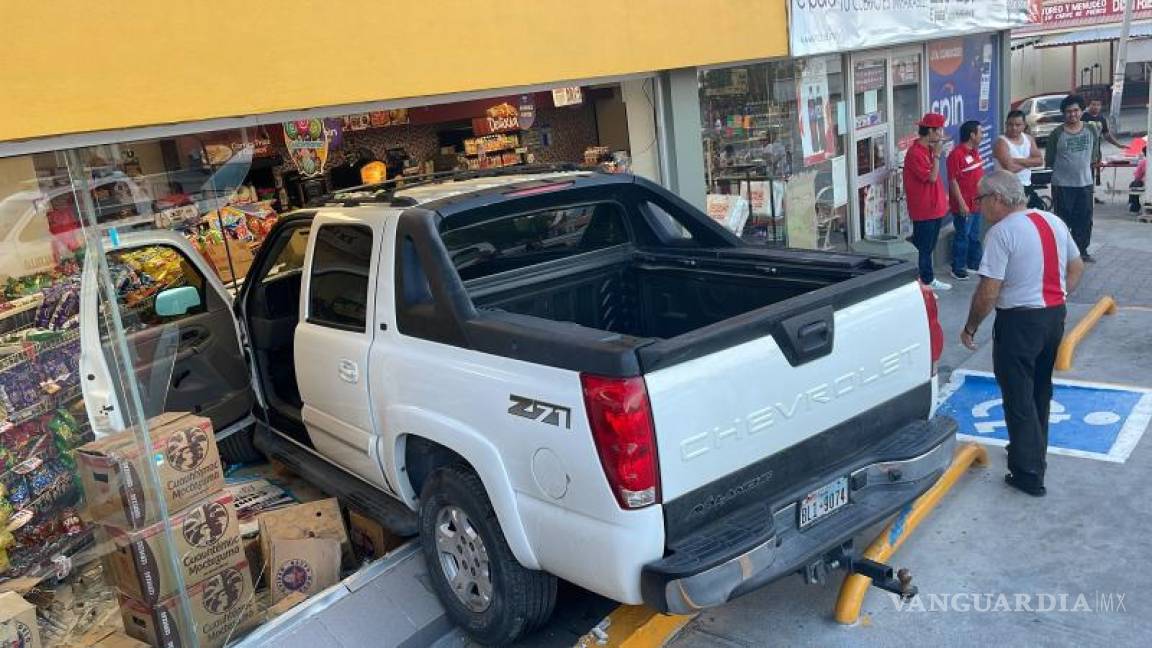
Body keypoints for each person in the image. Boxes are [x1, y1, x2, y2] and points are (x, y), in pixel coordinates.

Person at [960, 170, 1085, 497]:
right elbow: (1076, 267)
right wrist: (1060, 295)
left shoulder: (1001, 233)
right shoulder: (1052, 221)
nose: (979, 206)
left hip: (1019, 321)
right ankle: (1031, 448)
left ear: (997, 199)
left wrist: (972, 325)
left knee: (1017, 395)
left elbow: (989, 290)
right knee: (1040, 388)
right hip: (1053, 316)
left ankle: (1028, 473)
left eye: (980, 199)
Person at [1045, 95, 1102, 262]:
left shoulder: (1091, 130)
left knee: (1084, 219)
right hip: (1062, 185)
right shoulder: (1056, 134)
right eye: (1068, 112)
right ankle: (1063, 253)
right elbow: (1049, 159)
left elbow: (1094, 154)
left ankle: (1081, 252)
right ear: (1064, 114)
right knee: (1062, 220)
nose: (1073, 114)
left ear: (1082, 111)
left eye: (1076, 110)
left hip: (1085, 183)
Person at [903, 112, 951, 291]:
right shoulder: (915, 153)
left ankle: (928, 280)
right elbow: (931, 178)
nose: (941, 133)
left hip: (935, 207)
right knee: (923, 248)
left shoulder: (929, 149)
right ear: (930, 131)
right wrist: (937, 156)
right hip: (923, 209)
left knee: (929, 246)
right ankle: (922, 283)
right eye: (939, 130)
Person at [947, 120, 985, 280]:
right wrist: (962, 203)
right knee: (963, 235)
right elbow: (953, 181)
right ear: (972, 135)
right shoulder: (956, 155)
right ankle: (958, 267)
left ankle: (973, 264)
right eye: (980, 132)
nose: (982, 135)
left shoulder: (975, 152)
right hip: (964, 205)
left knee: (974, 236)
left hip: (976, 204)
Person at [993, 110, 1045, 209]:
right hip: (1008, 189)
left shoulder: (1029, 139)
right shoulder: (1001, 142)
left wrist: (1017, 160)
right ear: (1006, 124)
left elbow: (1040, 161)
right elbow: (1010, 168)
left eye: (1018, 124)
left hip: (1026, 185)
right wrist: (1030, 161)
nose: (1014, 128)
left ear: (1024, 125)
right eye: (1010, 124)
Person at [1129, 146, 1147, 213]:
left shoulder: (1143, 162)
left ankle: (1134, 206)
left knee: (1133, 184)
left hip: (1146, 183)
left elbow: (1137, 176)